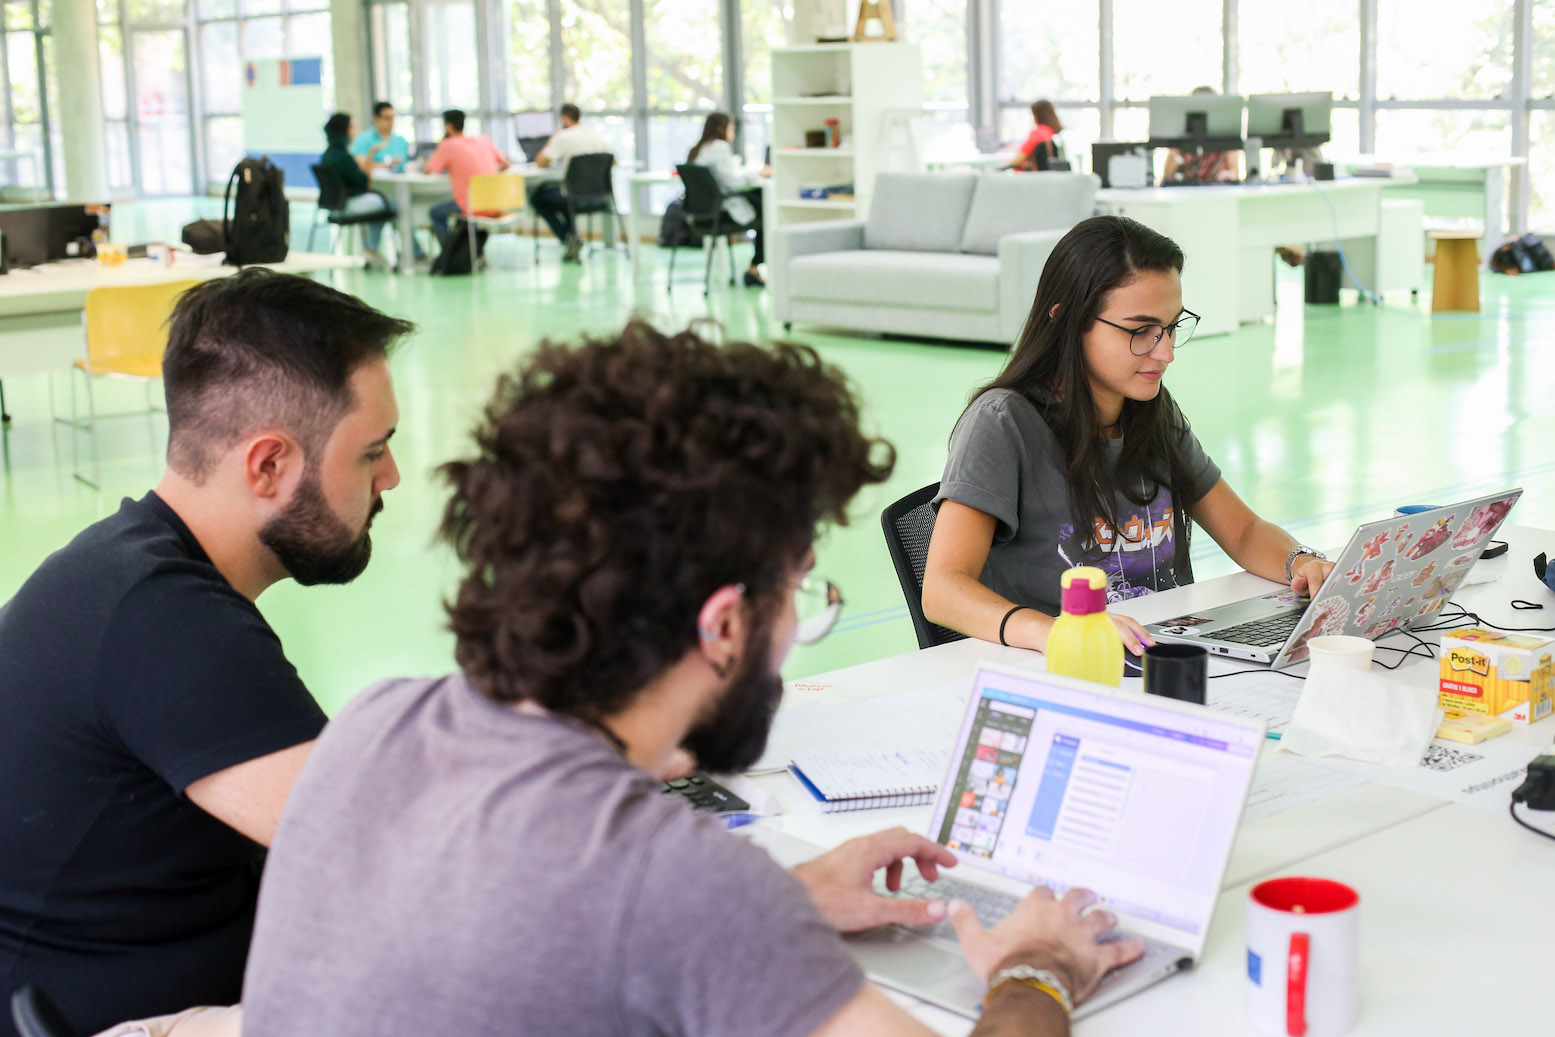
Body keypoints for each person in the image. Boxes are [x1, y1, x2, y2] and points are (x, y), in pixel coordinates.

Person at [240, 320, 1143, 1037]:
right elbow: (644, 907)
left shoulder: (374, 723)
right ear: (721, 625)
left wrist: (783, 903)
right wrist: (1037, 967)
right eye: (796, 591)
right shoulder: (676, 880)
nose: (795, 626)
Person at [0, 269, 410, 1037]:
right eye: (372, 452)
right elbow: (388, 844)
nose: (391, 476)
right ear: (268, 466)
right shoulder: (162, 619)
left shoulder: (131, 567)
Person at [921, 215, 1337, 657]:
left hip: (1159, 651)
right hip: (1066, 666)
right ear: (1067, 320)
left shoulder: (1151, 410)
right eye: (1141, 331)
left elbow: (1244, 530)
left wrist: (1303, 562)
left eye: (1172, 327)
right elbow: (943, 590)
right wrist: (1057, 632)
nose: (1166, 352)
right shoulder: (1003, 424)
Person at [687, 111, 770, 287]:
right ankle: (754, 269)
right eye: (731, 128)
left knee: (760, 203)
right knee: (767, 212)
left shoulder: (699, 148)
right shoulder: (719, 146)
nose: (733, 133)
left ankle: (755, 268)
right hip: (721, 213)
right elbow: (731, 182)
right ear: (721, 128)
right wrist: (756, 173)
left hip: (702, 213)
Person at [319, 112, 404, 269]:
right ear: (344, 130)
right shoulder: (343, 156)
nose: (354, 130)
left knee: (381, 207)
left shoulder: (328, 154)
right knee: (392, 205)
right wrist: (371, 155)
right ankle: (406, 253)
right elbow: (363, 182)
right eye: (352, 127)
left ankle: (371, 250)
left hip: (334, 206)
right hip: (347, 206)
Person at [423, 108, 510, 254]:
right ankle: (474, 253)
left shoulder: (448, 144)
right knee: (465, 213)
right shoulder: (483, 140)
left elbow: (428, 170)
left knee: (435, 213)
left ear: (447, 126)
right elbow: (506, 164)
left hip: (472, 206)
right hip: (495, 203)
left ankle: (450, 253)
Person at [533, 102, 611, 262]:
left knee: (538, 197)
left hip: (574, 197)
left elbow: (540, 162)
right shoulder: (594, 134)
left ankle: (567, 238)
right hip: (600, 196)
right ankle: (572, 238)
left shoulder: (563, 136)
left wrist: (553, 138)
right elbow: (612, 160)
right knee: (563, 199)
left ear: (563, 118)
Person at [1161, 86, 1238, 183]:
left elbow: (1234, 171)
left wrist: (1230, 175)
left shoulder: (1227, 136)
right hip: (1186, 191)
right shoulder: (1181, 138)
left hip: (1218, 190)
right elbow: (1167, 175)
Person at [350, 101, 410, 172]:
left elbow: (407, 165)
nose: (391, 122)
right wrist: (387, 165)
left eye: (392, 118)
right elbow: (360, 166)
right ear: (376, 119)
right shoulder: (363, 139)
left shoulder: (401, 141)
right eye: (387, 118)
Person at [1012, 100, 1064, 171]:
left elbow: (1018, 160)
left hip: (1033, 177)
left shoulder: (1038, 132)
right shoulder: (1057, 132)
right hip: (1053, 174)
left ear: (1037, 115)